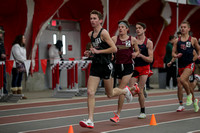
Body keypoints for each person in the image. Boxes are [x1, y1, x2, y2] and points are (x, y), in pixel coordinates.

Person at [79, 10, 133, 128]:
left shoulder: (104, 33)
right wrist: (90, 52)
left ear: (100, 20)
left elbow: (114, 49)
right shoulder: (90, 34)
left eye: (94, 18)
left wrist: (98, 51)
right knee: (90, 92)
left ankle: (125, 91)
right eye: (91, 18)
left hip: (106, 65)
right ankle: (90, 120)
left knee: (110, 94)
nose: (92, 20)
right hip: (96, 65)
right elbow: (96, 48)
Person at [109, 20, 140, 123]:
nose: (120, 29)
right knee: (121, 89)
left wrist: (135, 54)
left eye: (122, 27)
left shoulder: (132, 39)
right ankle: (133, 88)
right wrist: (112, 54)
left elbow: (137, 50)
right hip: (118, 66)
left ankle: (117, 114)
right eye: (119, 27)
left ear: (127, 29)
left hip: (128, 66)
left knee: (120, 89)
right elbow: (111, 48)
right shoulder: (114, 39)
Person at [172, 21, 200, 108]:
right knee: (187, 84)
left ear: (188, 29)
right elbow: (173, 53)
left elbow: (199, 49)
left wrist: (198, 56)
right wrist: (176, 55)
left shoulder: (193, 39)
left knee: (182, 80)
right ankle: (194, 100)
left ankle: (188, 95)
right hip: (181, 65)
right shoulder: (177, 41)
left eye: (184, 27)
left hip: (190, 64)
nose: (182, 29)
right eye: (181, 27)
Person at [129, 22, 154, 119]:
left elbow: (151, 59)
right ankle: (141, 88)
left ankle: (142, 111)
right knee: (131, 90)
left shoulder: (148, 42)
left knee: (140, 91)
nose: (137, 30)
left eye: (139, 28)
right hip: (135, 67)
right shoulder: (133, 41)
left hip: (144, 67)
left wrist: (141, 55)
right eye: (136, 28)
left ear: (144, 29)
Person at [10, 35, 27, 99]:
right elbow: (17, 56)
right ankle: (15, 94)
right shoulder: (15, 46)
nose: (25, 39)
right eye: (23, 38)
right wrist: (25, 60)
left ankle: (19, 94)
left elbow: (24, 56)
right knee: (15, 79)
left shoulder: (22, 47)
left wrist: (25, 61)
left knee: (20, 79)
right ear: (20, 39)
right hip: (15, 65)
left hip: (21, 65)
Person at [0, 27, 7, 95]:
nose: (1, 35)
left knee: (3, 77)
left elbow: (3, 51)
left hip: (2, 62)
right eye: (0, 33)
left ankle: (4, 91)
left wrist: (4, 55)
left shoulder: (1, 42)